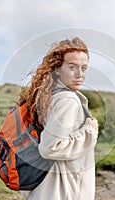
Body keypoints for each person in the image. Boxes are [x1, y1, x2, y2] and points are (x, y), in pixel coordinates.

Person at [19, 37, 99, 200]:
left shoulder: (47, 94)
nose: (79, 74)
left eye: (84, 68)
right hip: (61, 190)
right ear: (57, 69)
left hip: (45, 186)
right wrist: (89, 131)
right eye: (72, 67)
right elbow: (50, 147)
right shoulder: (67, 99)